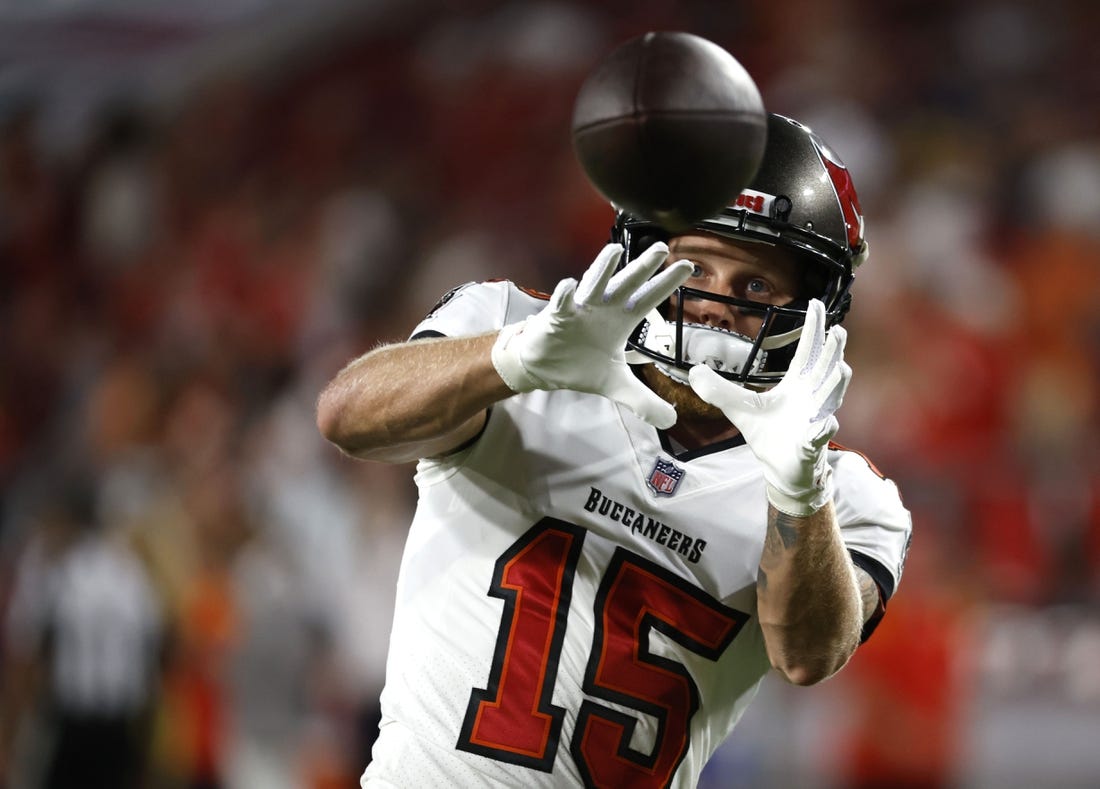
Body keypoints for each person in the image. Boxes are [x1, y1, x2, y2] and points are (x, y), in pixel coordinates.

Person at [316, 113, 911, 788]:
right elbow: (345, 413)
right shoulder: (517, 330)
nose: (714, 305)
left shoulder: (844, 495)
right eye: (694, 265)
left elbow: (809, 654)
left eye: (753, 286)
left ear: (811, 309)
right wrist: (512, 359)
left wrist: (797, 492)